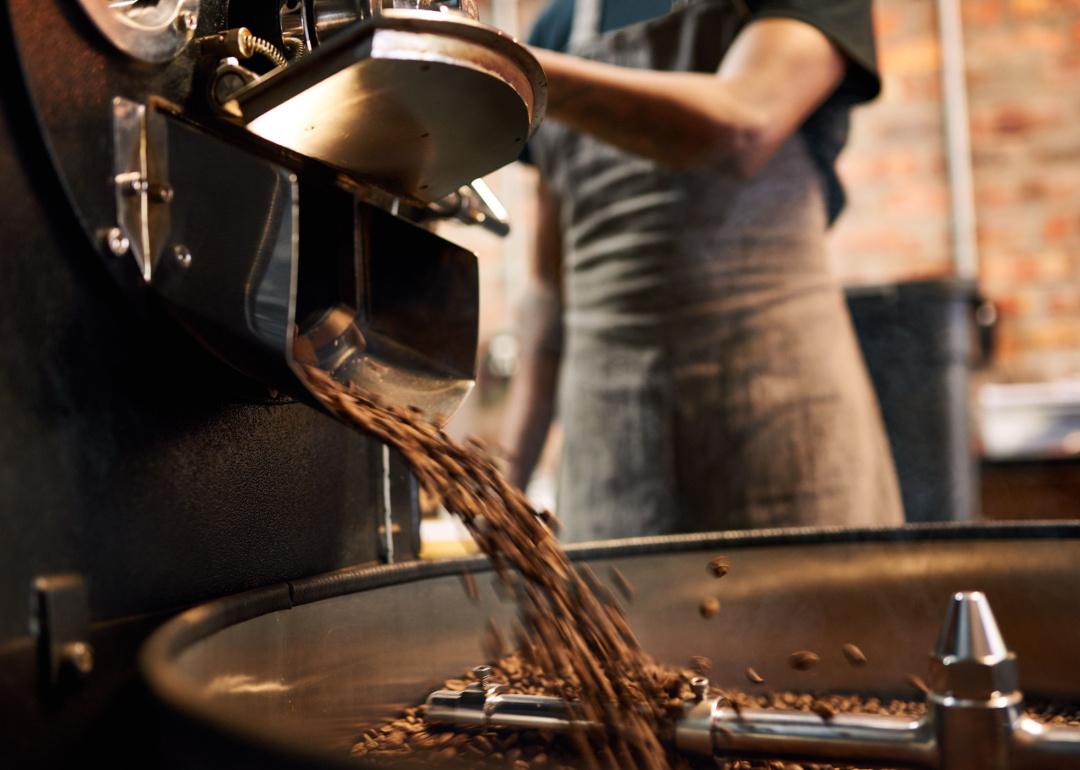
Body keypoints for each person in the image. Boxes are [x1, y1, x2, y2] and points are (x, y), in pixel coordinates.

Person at [499, 0, 905, 541]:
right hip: (609, 441)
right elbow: (552, 290)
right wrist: (501, 485)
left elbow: (744, 124)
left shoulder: (535, 61)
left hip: (777, 424)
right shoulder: (554, 28)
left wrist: (506, 68)